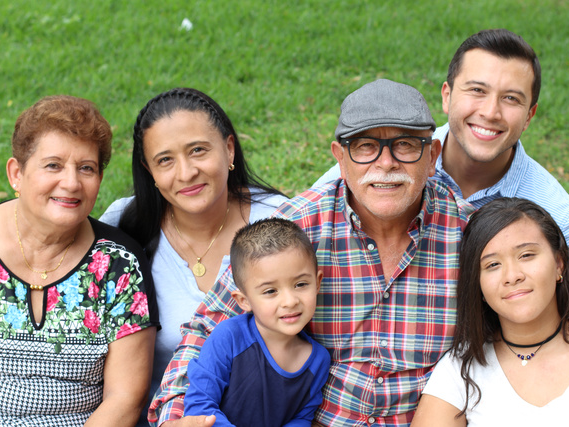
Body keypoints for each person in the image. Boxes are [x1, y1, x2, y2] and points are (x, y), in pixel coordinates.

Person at [149, 79, 472, 426]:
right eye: (365, 146)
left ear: (433, 156)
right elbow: (208, 328)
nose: (386, 163)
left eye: (406, 145)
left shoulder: (469, 236)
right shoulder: (298, 226)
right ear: (340, 158)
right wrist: (176, 416)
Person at [312, 29, 569, 294]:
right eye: (477, 91)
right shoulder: (387, 161)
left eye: (510, 98)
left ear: (529, 116)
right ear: (447, 96)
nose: (491, 112)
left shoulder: (559, 215)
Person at [0, 95, 158, 426]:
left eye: (86, 168)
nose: (72, 183)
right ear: (16, 173)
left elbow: (125, 399)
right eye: (53, 165)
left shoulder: (118, 264)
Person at [99, 88, 287, 427]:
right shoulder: (123, 228)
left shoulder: (281, 222)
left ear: (229, 148)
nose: (186, 173)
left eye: (198, 150)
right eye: (165, 160)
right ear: (149, 170)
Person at [411, 197, 569, 426]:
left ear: (558, 264)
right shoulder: (460, 370)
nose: (512, 276)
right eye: (492, 265)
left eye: (526, 255)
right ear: (479, 285)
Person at [184, 218, 330, 426]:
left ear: (317, 282)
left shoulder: (318, 361)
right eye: (270, 291)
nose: (290, 301)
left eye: (300, 284)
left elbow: (301, 417)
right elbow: (200, 405)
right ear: (244, 300)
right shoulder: (229, 337)